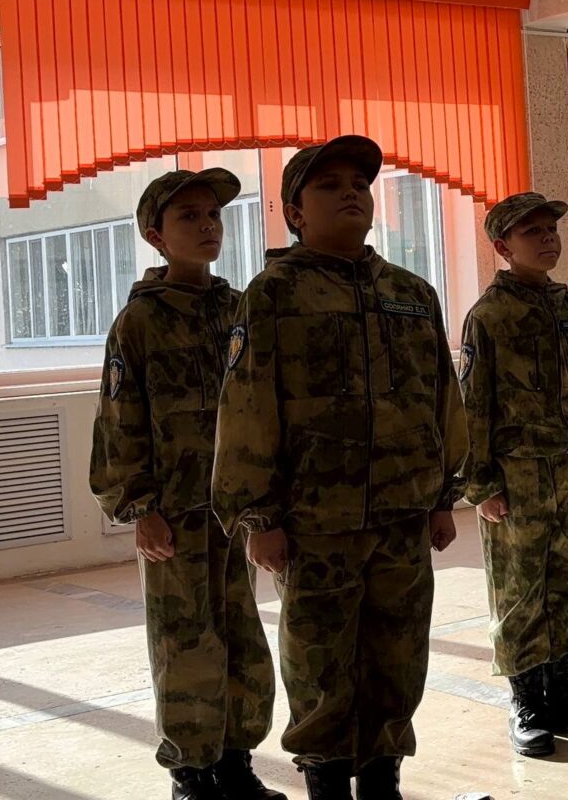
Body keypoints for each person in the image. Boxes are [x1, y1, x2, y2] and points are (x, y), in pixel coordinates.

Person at [212, 136, 467, 800]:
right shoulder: (273, 294)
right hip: (314, 521)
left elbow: (442, 399)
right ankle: (326, 783)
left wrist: (444, 496)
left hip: (403, 514)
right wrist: (259, 516)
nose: (351, 192)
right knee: (319, 662)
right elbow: (247, 408)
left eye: (359, 183)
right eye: (329, 185)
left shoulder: (411, 293)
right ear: (295, 213)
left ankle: (382, 781)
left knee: (398, 657)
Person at [91, 167, 281, 800]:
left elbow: (263, 407)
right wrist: (139, 507)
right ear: (156, 236)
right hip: (174, 512)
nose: (207, 226)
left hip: (236, 510)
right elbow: (119, 421)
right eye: (189, 217)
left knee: (242, 636)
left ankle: (235, 762)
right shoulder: (140, 322)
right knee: (184, 642)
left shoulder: (239, 309)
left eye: (213, 215)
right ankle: (191, 774)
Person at [459, 191, 568, 758]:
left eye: (551, 229)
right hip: (518, 474)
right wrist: (481, 485)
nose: (548, 238)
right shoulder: (488, 317)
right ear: (503, 246)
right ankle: (527, 700)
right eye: (532, 232)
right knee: (520, 587)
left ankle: (565, 690)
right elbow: (473, 404)